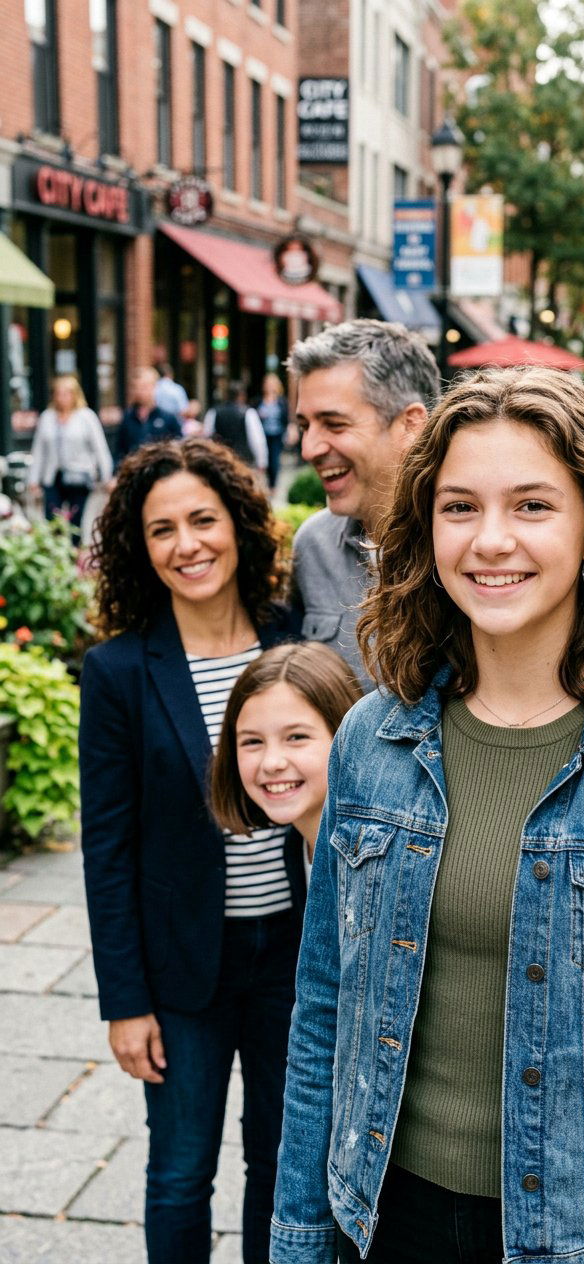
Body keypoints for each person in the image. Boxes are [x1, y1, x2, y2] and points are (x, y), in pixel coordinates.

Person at [271, 367, 584, 1264]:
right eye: (460, 507)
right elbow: (323, 1015)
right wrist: (298, 1240)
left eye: (532, 505)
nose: (491, 540)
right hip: (382, 1222)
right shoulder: (371, 740)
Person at [78, 438, 303, 1264]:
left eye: (203, 520)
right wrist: (124, 1002)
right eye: (162, 529)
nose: (187, 544)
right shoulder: (118, 671)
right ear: (140, 548)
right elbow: (107, 846)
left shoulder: (292, 639)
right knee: (179, 1174)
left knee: (282, 1166)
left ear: (238, 523)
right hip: (180, 970)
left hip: (293, 955)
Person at [289, 318, 440, 685]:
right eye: (305, 426)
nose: (309, 449)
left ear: (411, 425)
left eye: (334, 424)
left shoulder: (470, 548)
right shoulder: (313, 546)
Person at [209, 642, 362, 883]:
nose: (271, 763)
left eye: (296, 737)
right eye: (253, 741)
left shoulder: (374, 861)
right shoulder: (296, 846)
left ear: (346, 735)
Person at [28, 374, 113, 538]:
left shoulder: (86, 416)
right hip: (53, 476)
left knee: (75, 522)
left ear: (75, 395)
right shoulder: (47, 417)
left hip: (79, 476)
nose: (62, 398)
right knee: (52, 520)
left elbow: (100, 448)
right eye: (58, 393)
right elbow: (39, 450)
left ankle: (74, 550)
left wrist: (106, 476)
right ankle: (55, 550)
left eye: (66, 393)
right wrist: (33, 478)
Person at [117, 366, 183, 463]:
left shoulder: (168, 418)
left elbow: (179, 449)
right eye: (135, 387)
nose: (139, 391)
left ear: (154, 387)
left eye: (144, 387)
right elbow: (120, 451)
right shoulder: (127, 417)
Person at [205, 382, 268, 476]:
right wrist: (262, 462)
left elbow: (207, 437)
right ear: (242, 396)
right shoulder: (249, 413)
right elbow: (257, 440)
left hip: (221, 461)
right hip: (243, 462)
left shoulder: (213, 412)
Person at [255, 373, 289, 492]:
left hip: (276, 434)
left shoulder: (281, 401)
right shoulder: (259, 400)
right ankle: (266, 482)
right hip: (262, 434)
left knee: (274, 458)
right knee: (264, 458)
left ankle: (273, 485)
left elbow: (286, 417)